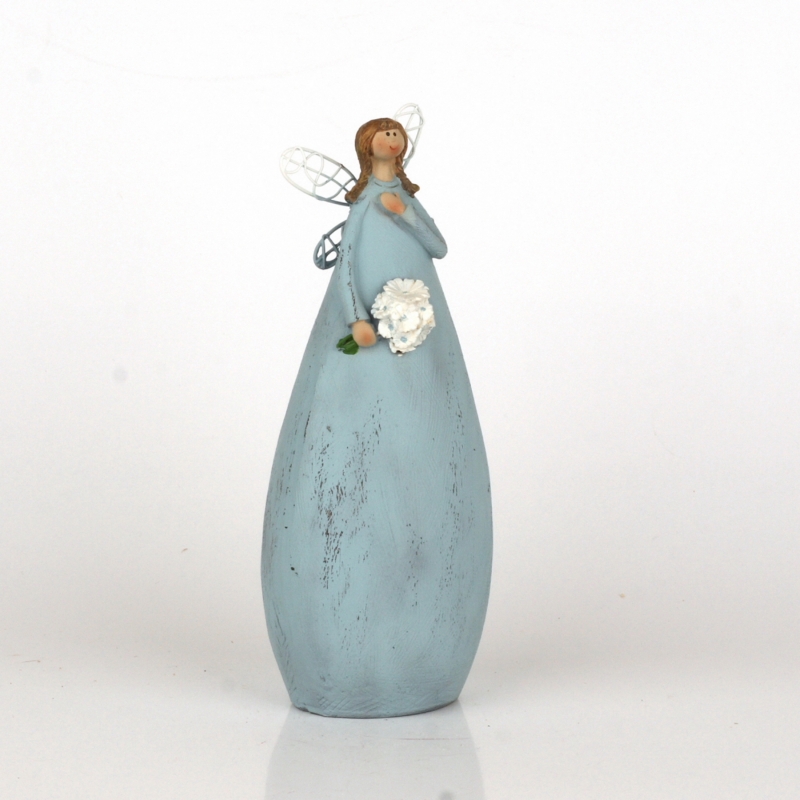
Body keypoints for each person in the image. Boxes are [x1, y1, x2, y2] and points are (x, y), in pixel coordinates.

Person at [262, 116, 492, 718]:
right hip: (363, 332)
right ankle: (330, 658)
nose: (392, 141)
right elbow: (343, 269)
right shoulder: (362, 207)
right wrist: (356, 318)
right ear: (368, 146)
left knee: (427, 449)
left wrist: (405, 213)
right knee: (345, 461)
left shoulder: (398, 202)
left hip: (424, 334)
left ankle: (429, 647)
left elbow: (438, 246)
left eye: (397, 135)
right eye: (383, 135)